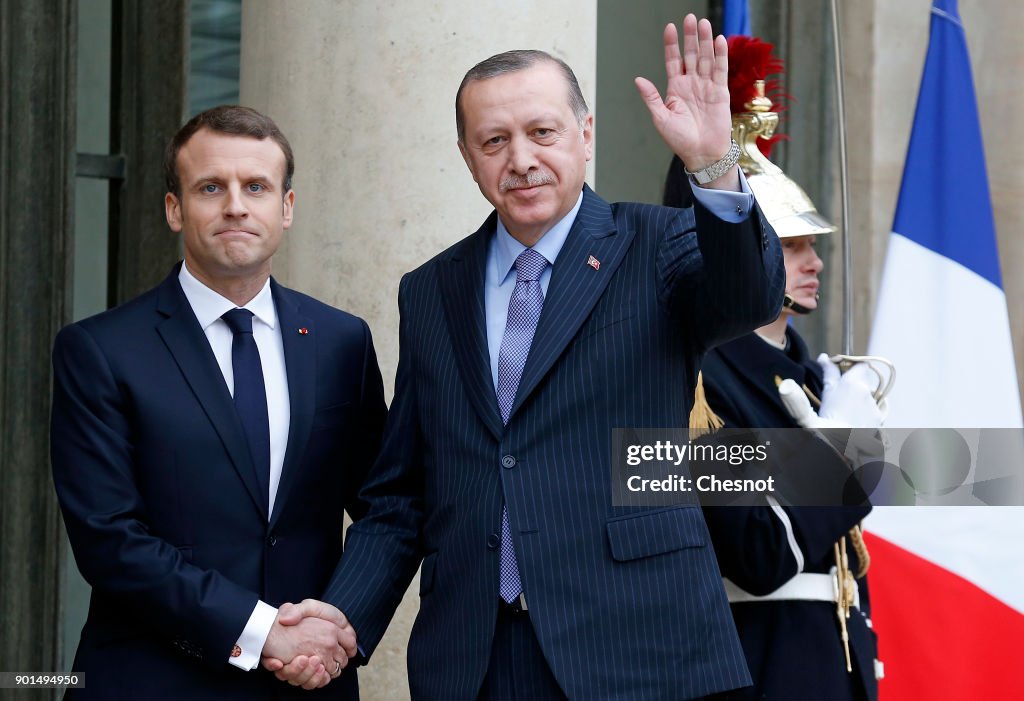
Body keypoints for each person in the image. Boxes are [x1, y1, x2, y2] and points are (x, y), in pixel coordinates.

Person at [270, 14, 784, 699]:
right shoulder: (431, 290)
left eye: (542, 132)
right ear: (466, 154)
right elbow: (403, 492)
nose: (521, 159)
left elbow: (748, 295)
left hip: (642, 653)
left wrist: (714, 167)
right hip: (476, 661)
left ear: (586, 133)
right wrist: (341, 615)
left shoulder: (657, 244)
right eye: (494, 140)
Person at [50, 105, 386, 699]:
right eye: (211, 187)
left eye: (256, 187)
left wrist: (338, 623)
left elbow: (386, 504)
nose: (235, 205)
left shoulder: (342, 342)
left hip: (308, 683)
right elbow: (110, 540)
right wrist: (260, 632)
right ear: (175, 209)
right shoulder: (99, 351)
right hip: (152, 680)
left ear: (286, 207)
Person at [677, 186, 883, 699]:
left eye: (812, 245)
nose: (814, 262)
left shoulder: (813, 380)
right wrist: (836, 453)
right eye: (793, 246)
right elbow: (761, 549)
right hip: (764, 665)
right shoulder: (704, 379)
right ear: (749, 254)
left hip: (833, 664)